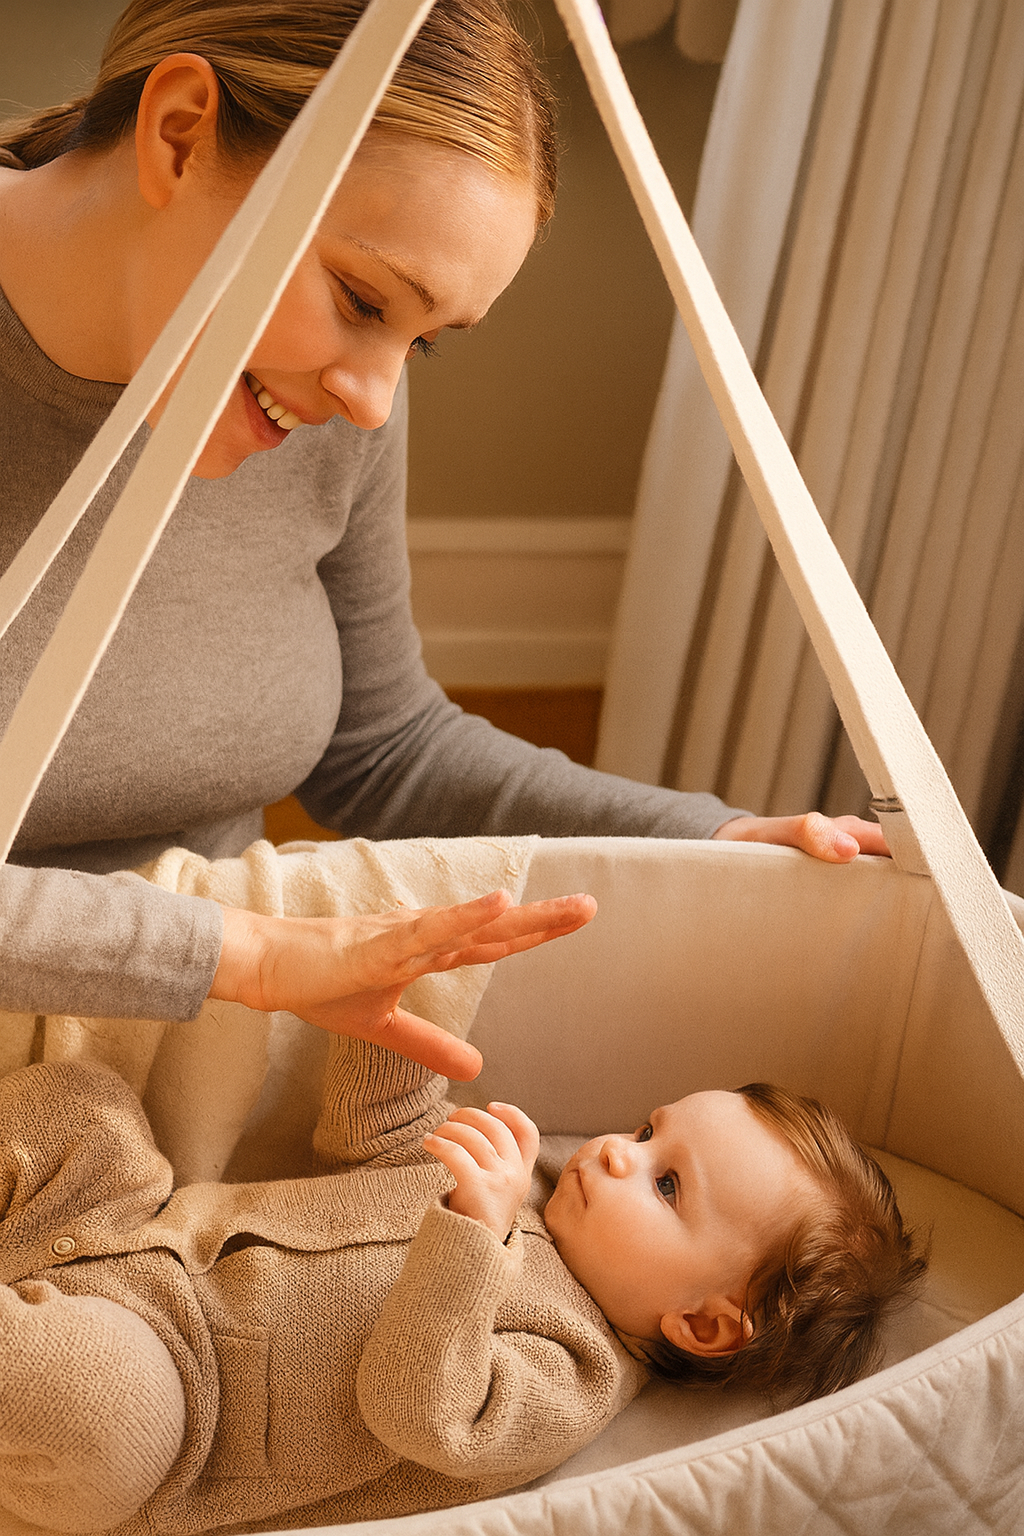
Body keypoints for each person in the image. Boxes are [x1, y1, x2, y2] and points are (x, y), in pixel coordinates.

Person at [0, 0, 889, 1077]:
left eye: (422, 343)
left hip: (176, 1078)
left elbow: (384, 750)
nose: (373, 400)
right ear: (179, 133)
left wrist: (709, 843)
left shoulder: (311, 396)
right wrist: (245, 955)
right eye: (361, 299)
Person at [0, 1011, 925, 1533]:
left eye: (667, 1183)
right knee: (89, 1106)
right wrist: (391, 1025)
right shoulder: (526, 1187)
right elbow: (376, 1141)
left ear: (704, 1323)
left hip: (175, 1406)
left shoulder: (572, 1373)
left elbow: (417, 1408)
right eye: (649, 1131)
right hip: (129, 1230)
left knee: (106, 1410)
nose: (618, 1151)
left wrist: (472, 1236)